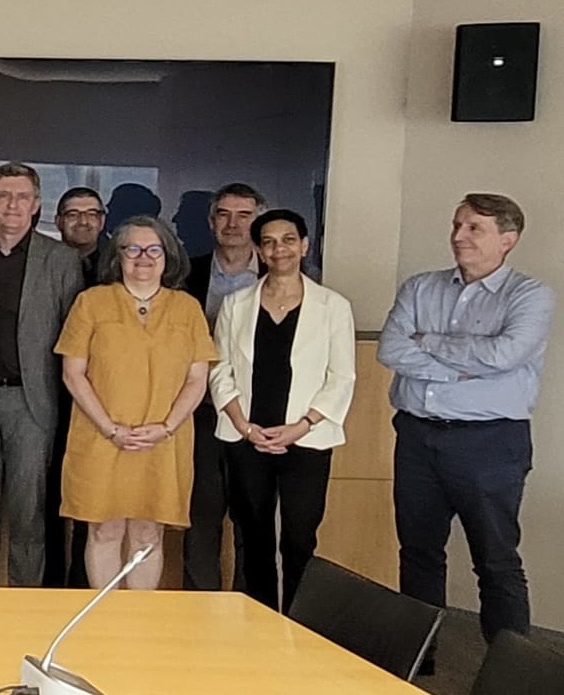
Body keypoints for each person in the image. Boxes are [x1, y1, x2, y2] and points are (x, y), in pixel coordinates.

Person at [379, 193, 553, 647]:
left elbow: (504, 354)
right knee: (418, 554)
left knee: (495, 561)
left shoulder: (531, 295)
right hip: (417, 436)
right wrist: (464, 365)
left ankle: (509, 670)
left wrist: (430, 341)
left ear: (507, 240)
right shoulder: (421, 287)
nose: (458, 236)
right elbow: (391, 350)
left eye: (474, 227)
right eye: (457, 225)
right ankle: (418, 659)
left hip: (490, 443)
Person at [55, 216, 215, 590]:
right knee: (103, 532)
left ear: (167, 256)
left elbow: (197, 379)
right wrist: (112, 429)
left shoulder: (186, 308)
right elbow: (73, 374)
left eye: (153, 249)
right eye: (133, 249)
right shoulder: (91, 303)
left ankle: (139, 628)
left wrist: (165, 428)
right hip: (101, 437)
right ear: (118, 256)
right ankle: (105, 624)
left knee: (148, 534)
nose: (143, 257)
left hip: (164, 440)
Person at [208, 209, 356, 610]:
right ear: (258, 249)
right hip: (246, 438)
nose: (280, 249)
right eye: (269, 241)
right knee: (253, 535)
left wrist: (301, 427)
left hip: (306, 440)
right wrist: (242, 424)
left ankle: (298, 622)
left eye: (289, 239)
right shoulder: (237, 304)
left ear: (304, 245)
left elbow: (342, 377)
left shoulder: (333, 306)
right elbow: (219, 369)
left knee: (298, 539)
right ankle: (259, 623)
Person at [0, 163, 84, 587]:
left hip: (33, 401)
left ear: (37, 205)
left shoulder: (60, 260)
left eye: (22, 197)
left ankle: (25, 613)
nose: (12, 205)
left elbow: (74, 338)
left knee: (30, 517)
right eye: (4, 196)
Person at [179, 182, 264, 592]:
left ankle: (249, 612)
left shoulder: (283, 276)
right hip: (197, 412)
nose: (233, 224)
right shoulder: (183, 274)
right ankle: (199, 608)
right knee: (201, 517)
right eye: (224, 215)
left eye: (244, 215)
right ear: (211, 222)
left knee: (253, 517)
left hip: (256, 415)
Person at [47, 186, 105, 588]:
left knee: (95, 502)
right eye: (73, 214)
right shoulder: (45, 263)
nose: (82, 221)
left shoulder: (121, 269)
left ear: (102, 221)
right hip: (49, 395)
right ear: (57, 221)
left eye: (91, 213)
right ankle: (51, 585)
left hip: (106, 403)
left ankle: (82, 586)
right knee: (49, 497)